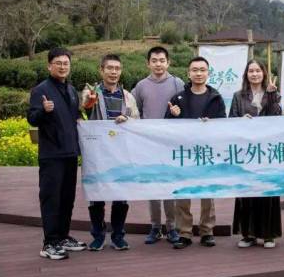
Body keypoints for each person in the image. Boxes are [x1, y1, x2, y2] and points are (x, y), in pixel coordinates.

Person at [27, 48, 87, 259]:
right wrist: (44, 110)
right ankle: (49, 243)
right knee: (51, 198)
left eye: (66, 63)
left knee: (67, 198)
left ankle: (62, 236)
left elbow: (75, 117)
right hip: (52, 154)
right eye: (58, 63)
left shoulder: (71, 89)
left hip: (70, 153)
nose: (63, 67)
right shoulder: (40, 90)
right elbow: (32, 119)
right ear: (49, 66)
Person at [80, 54, 140, 251]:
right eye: (110, 68)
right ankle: (98, 236)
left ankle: (118, 236)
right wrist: (89, 102)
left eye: (117, 68)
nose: (114, 72)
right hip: (97, 154)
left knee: (121, 195)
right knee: (96, 195)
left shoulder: (128, 96)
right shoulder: (91, 92)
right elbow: (85, 106)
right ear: (101, 70)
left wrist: (128, 120)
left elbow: (137, 121)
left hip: (121, 154)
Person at [166, 56, 226, 249]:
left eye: (202, 70)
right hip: (184, 153)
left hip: (207, 152)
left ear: (208, 73)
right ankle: (184, 232)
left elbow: (224, 125)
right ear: (188, 73)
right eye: (195, 70)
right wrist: (174, 116)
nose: (198, 73)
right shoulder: (178, 98)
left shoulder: (216, 98)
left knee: (208, 194)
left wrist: (212, 125)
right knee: (183, 194)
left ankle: (207, 231)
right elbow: (166, 127)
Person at [132, 46, 184, 245]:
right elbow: (133, 111)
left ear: (168, 62)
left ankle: (172, 227)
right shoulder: (141, 86)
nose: (158, 64)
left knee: (170, 186)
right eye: (154, 60)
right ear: (148, 63)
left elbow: (184, 110)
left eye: (162, 60)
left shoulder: (178, 83)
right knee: (152, 187)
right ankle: (155, 227)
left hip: (171, 144)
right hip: (148, 145)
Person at [229, 60, 283, 249]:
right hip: (247, 152)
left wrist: (272, 95)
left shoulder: (273, 93)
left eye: (258, 70)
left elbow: (277, 118)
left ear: (264, 73)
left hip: (268, 151)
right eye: (251, 71)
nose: (254, 74)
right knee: (247, 193)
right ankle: (248, 234)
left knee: (268, 192)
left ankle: (268, 235)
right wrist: (240, 120)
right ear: (246, 74)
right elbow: (230, 120)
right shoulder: (238, 96)